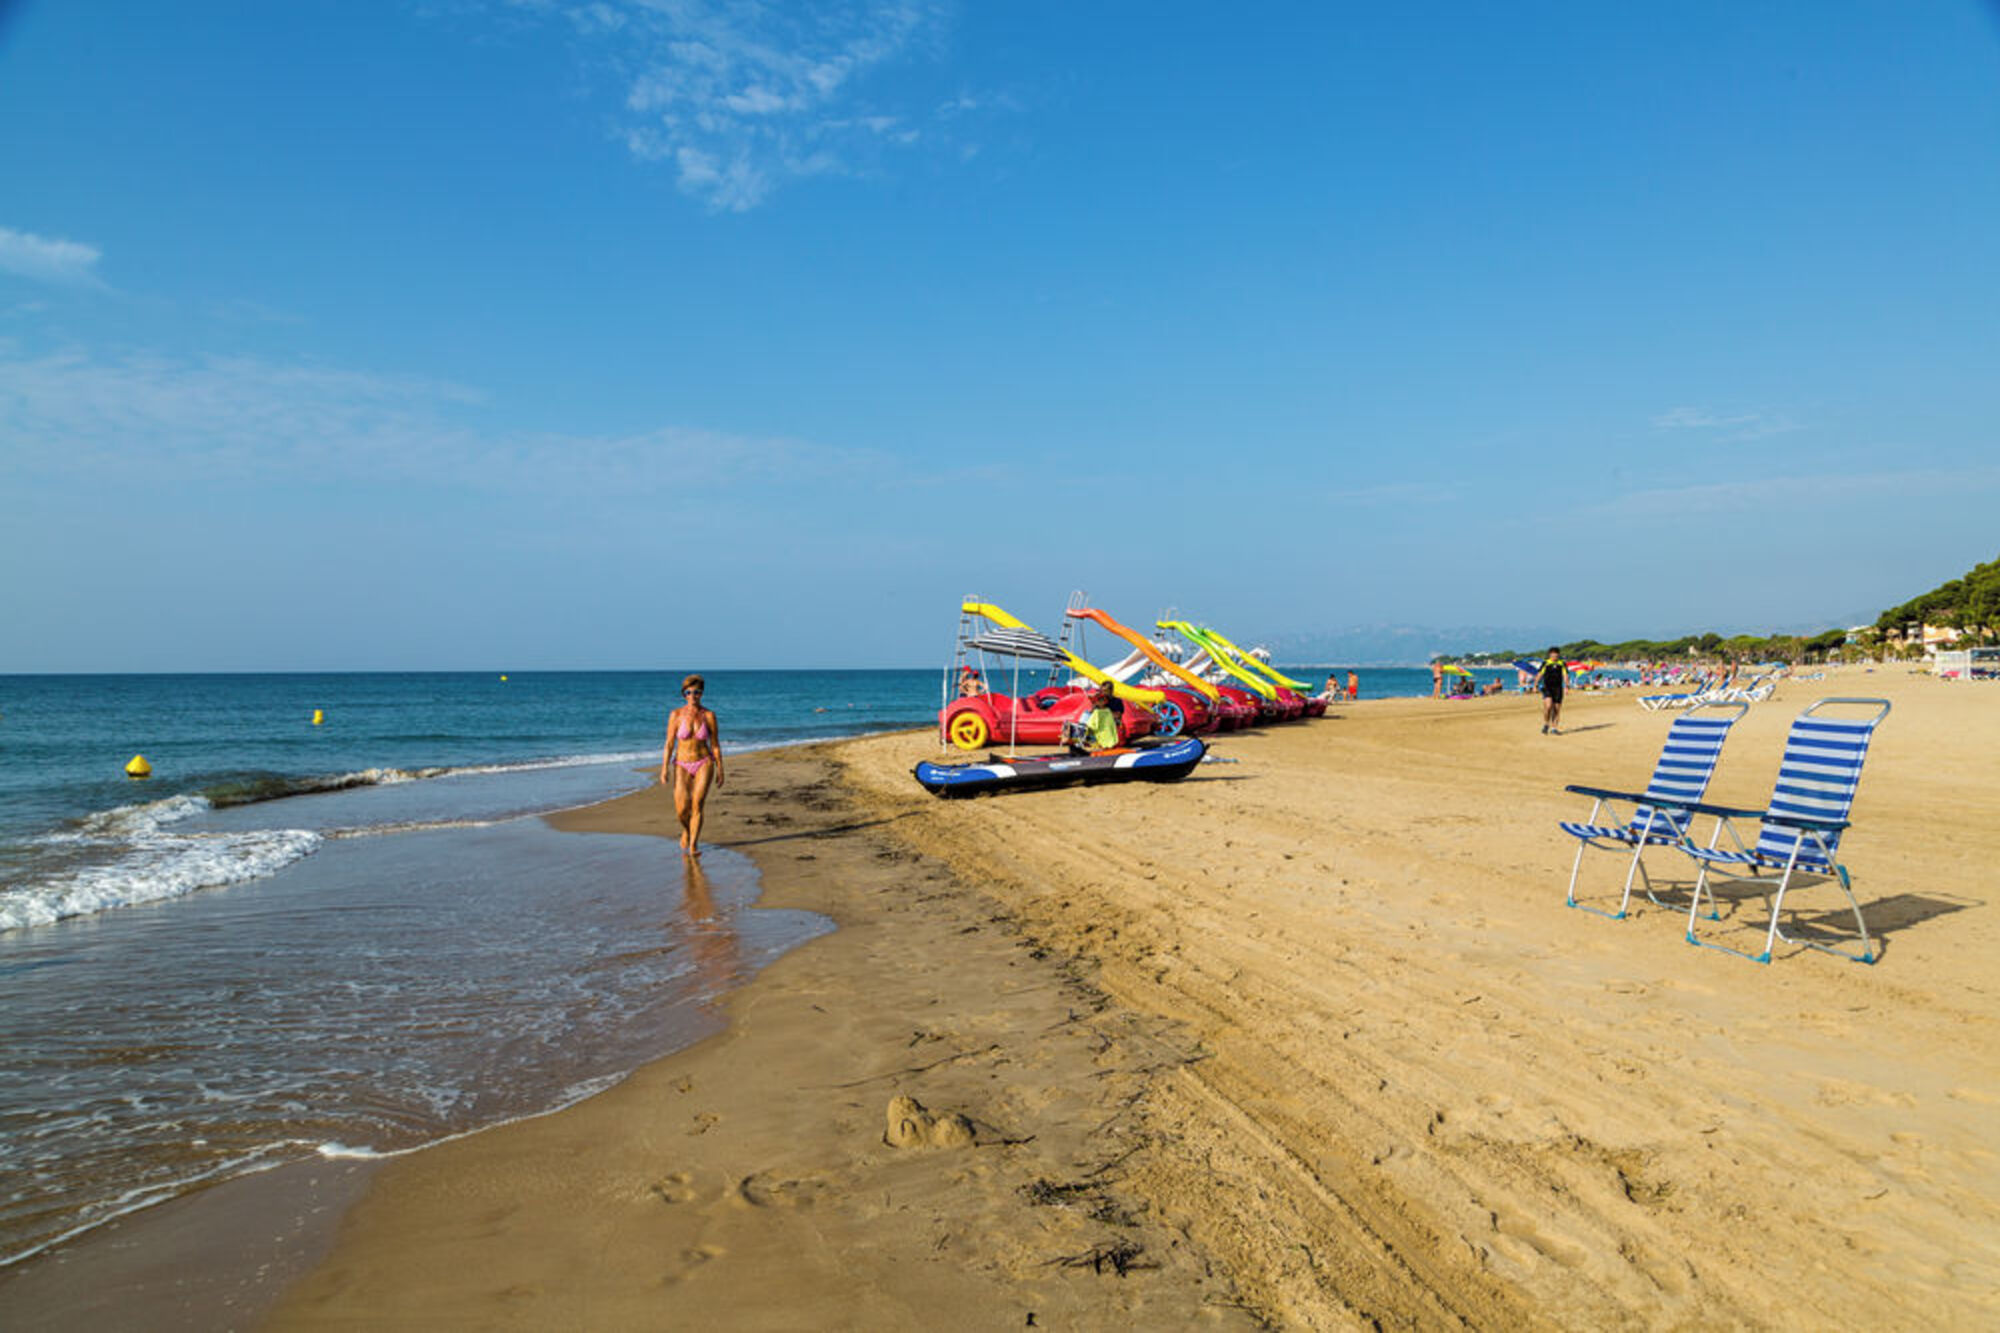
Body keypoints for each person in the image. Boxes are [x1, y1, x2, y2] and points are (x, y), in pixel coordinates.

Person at [660, 674, 723, 856]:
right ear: (684, 694)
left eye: (697, 692)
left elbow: (716, 745)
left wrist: (720, 769)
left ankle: (694, 844)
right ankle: (687, 830)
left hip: (704, 762)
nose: (692, 696)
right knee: (681, 810)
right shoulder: (676, 715)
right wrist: (664, 768)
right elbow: (669, 744)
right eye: (688, 692)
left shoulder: (709, 716)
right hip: (681, 763)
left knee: (697, 804)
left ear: (701, 694)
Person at [1536, 648, 1567, 734]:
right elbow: (1539, 674)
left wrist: (1567, 686)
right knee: (1548, 706)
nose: (1554, 657)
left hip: (1558, 688)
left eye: (1556, 655)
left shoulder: (1562, 664)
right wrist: (1535, 685)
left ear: (1558, 655)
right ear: (1550, 655)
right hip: (1547, 687)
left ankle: (1554, 728)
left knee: (1556, 709)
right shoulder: (1545, 663)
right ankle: (1546, 724)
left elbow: (1565, 675)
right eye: (1553, 655)